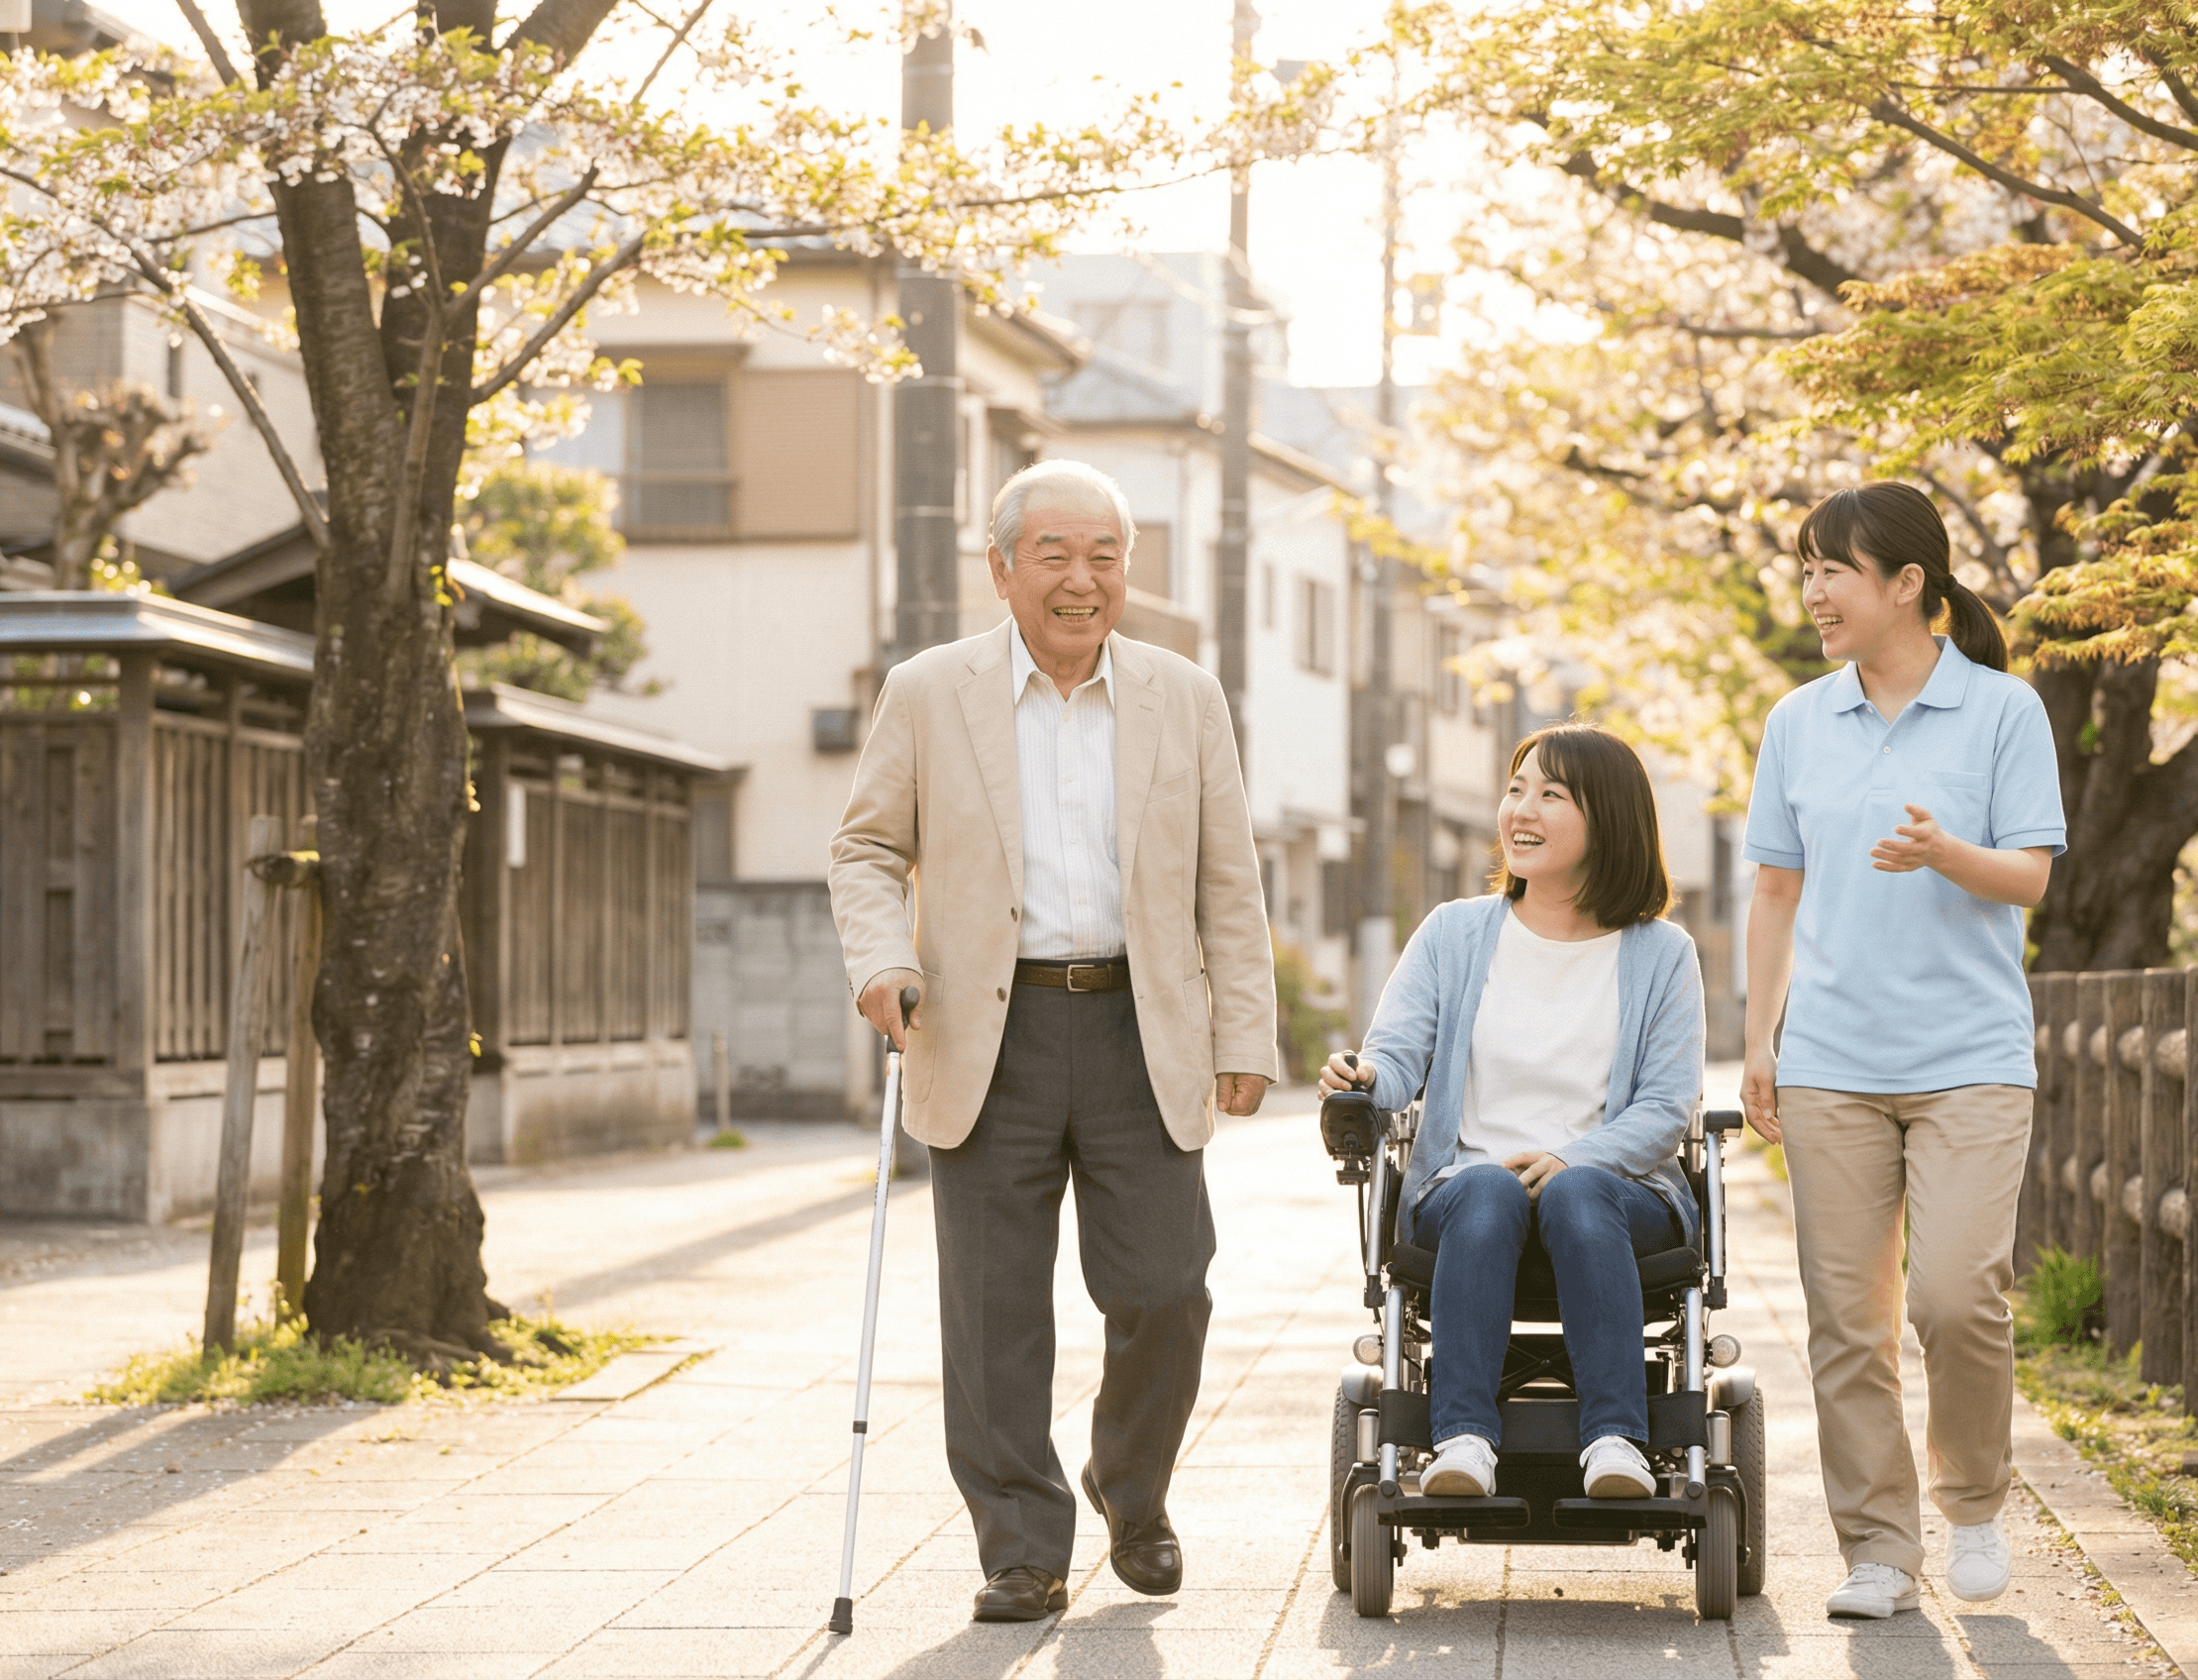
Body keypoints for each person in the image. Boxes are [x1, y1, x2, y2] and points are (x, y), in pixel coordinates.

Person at [829, 459, 1279, 1625]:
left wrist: (1246, 1029)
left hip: (1143, 1024)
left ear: (1126, 569)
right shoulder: (929, 691)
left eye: (1105, 557)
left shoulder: (1184, 695)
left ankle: (1131, 1488)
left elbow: (1228, 878)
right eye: (1055, 556)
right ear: (1001, 568)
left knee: (1167, 1287)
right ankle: (1021, 1543)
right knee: (991, 1306)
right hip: (985, 1023)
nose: (1081, 581)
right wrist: (881, 958)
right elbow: (866, 848)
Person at [1738, 481, 2066, 1620]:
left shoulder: (2000, 712)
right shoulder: (1794, 721)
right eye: (1807, 568)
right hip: (1829, 1056)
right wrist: (1757, 1041)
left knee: (1954, 1295)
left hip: (1970, 1053)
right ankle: (1877, 1546)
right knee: (1845, 1317)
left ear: (1905, 583)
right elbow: (1773, 890)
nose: (1812, 590)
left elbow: (2026, 874)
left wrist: (1945, 852)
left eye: (1831, 569)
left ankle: (1970, 1502)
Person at [1319, 723, 1706, 1502]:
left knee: (1576, 1188)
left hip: (1617, 1198)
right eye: (1516, 788)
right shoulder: (1454, 935)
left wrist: (1577, 1158)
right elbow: (1396, 1057)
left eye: (1551, 796)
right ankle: (1462, 1438)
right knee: (1490, 1185)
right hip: (1470, 1195)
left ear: (1611, 820)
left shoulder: (1663, 954)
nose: (1520, 810)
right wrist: (1365, 1075)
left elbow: (1667, 1107)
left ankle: (1615, 1444)